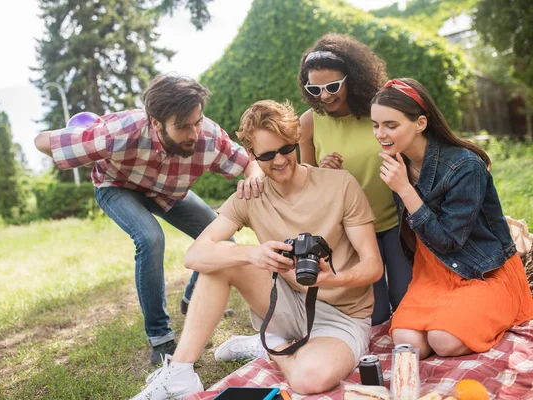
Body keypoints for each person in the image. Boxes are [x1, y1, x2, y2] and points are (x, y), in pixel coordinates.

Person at [131, 100, 383, 399]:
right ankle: (181, 372)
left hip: (343, 315)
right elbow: (194, 256)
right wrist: (252, 253)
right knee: (220, 258)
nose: (279, 161)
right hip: (287, 302)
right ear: (251, 155)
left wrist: (332, 279)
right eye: (266, 155)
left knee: (308, 380)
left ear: (295, 142)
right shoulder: (251, 194)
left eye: (286, 149)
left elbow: (373, 266)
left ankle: (271, 344)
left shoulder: (339, 184)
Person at [33, 74, 264, 365]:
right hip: (118, 187)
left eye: (197, 121)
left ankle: (194, 298)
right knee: (150, 238)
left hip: (168, 191)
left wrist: (253, 179)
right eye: (182, 127)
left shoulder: (208, 135)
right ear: (155, 122)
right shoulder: (117, 133)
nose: (194, 133)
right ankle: (161, 339)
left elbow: (250, 162)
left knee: (222, 240)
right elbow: (43, 141)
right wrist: (73, 144)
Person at [371, 77, 533, 359]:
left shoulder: (464, 166)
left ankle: (496, 311)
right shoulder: (399, 163)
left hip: (481, 273)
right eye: (375, 125)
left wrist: (406, 191)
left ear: (420, 123)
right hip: (432, 274)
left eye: (391, 125)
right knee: (408, 345)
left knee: (444, 341)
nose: (380, 134)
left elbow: (449, 241)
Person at [296, 33, 413, 325]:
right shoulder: (309, 122)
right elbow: (306, 183)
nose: (324, 96)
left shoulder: (379, 111)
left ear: (353, 78)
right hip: (353, 233)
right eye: (315, 89)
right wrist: (322, 172)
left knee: (406, 303)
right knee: (376, 316)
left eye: (333, 86)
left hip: (395, 224)